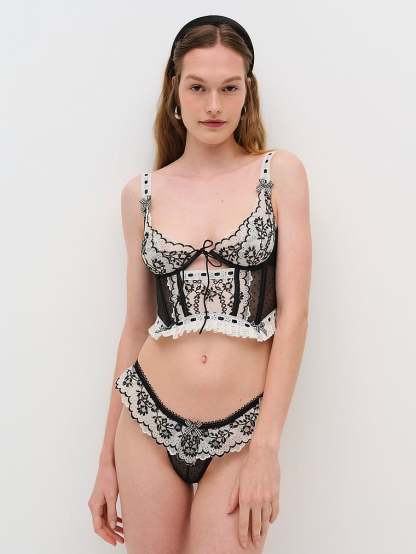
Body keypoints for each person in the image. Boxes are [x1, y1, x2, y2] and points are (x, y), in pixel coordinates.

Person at [88, 14, 311, 553]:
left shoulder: (279, 173)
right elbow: (135, 327)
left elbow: (295, 316)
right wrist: (105, 462)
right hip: (146, 420)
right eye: (197, 88)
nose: (214, 105)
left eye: (229, 88)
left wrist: (266, 449)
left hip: (241, 431)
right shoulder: (140, 195)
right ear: (175, 89)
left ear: (248, 91)